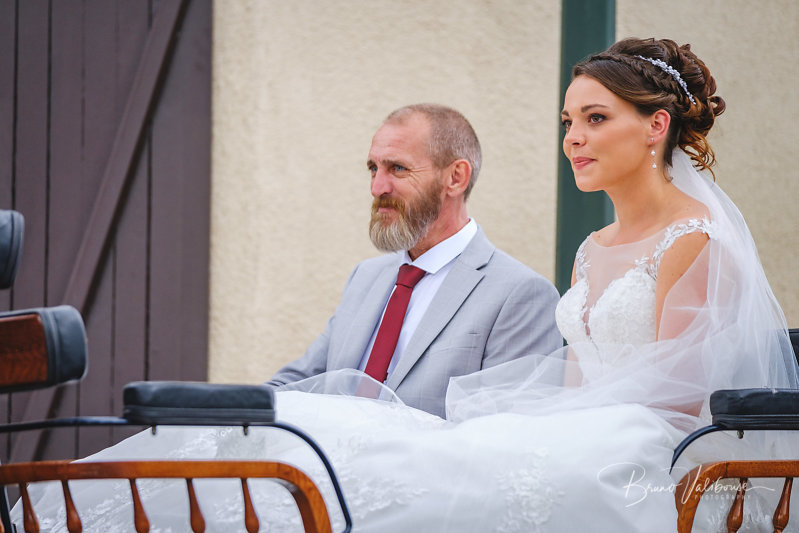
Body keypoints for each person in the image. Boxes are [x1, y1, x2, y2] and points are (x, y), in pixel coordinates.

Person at [16, 38, 799, 532]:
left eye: (594, 119)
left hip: (632, 451)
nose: (573, 138)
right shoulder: (591, 251)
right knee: (305, 422)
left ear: (655, 125)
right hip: (568, 430)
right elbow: (568, 383)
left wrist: (518, 430)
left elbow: (675, 405)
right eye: (567, 121)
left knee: (405, 459)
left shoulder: (695, 243)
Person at [266, 103, 563, 418]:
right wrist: (232, 410)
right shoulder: (365, 277)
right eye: (373, 168)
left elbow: (504, 431)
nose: (377, 187)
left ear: (456, 177)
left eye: (397, 168)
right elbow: (302, 381)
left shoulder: (522, 295)